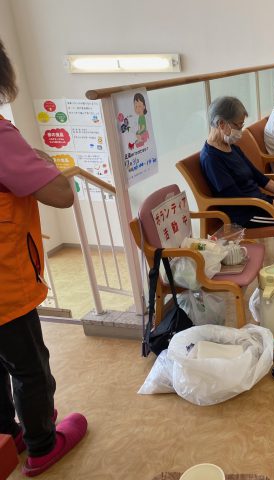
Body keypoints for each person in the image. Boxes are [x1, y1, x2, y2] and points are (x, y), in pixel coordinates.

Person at [0, 39, 88, 477]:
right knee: (30, 367)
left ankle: (8, 435)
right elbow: (61, 194)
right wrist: (44, 161)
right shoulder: (1, 136)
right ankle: (42, 445)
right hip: (5, 284)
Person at [201, 96, 274, 258]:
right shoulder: (211, 158)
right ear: (221, 124)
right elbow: (236, 197)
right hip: (245, 213)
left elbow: (259, 177)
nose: (240, 131)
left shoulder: (231, 147)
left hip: (259, 202)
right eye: (238, 125)